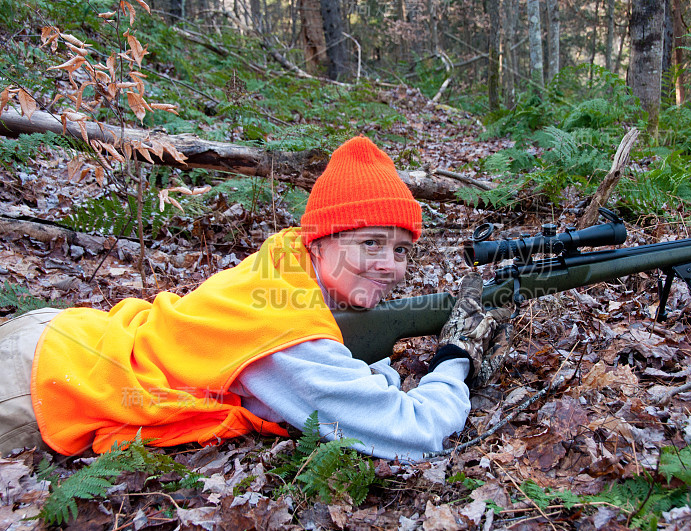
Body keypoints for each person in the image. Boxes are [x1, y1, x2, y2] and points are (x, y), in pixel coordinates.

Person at [0, 136, 511, 462]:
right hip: (41, 383)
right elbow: (415, 432)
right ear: (321, 240)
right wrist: (454, 361)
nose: (391, 266)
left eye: (401, 249)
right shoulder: (288, 331)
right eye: (370, 243)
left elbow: (320, 378)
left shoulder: (284, 262)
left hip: (70, 339)